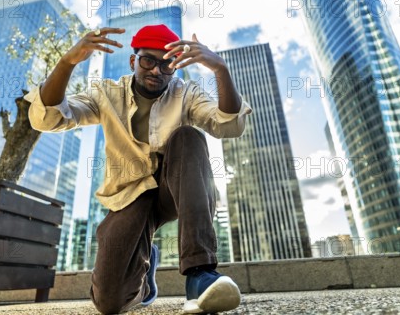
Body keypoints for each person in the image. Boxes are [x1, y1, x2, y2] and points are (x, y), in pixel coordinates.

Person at [25, 24, 252, 314]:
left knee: (189, 137)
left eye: (167, 64)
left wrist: (220, 69)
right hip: (128, 194)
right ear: (134, 61)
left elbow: (228, 125)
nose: (157, 71)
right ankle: (145, 277)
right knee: (109, 303)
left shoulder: (186, 93)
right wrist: (67, 62)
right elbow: (48, 118)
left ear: (175, 68)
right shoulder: (106, 93)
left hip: (173, 187)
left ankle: (200, 275)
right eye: (148, 61)